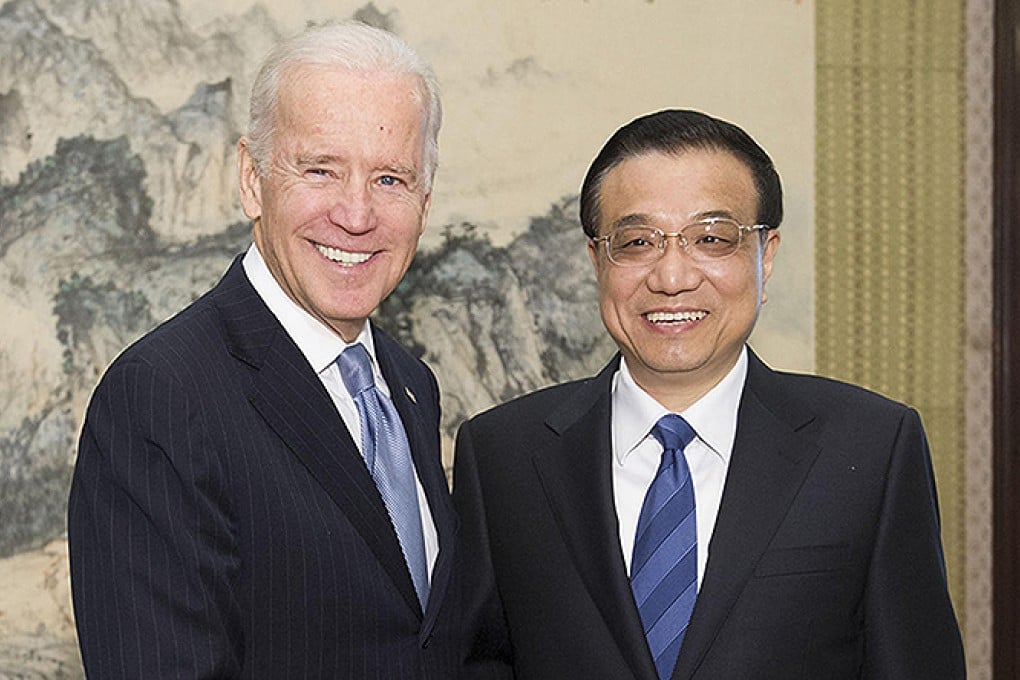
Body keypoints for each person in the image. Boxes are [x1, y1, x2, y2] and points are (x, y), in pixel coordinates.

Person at [454, 109, 965, 679]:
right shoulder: (501, 455)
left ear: (765, 255)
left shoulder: (871, 447)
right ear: (597, 261)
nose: (672, 278)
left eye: (712, 239)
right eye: (637, 242)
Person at [68, 21, 460, 678]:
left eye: (390, 179)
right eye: (320, 170)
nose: (356, 214)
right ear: (252, 178)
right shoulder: (159, 397)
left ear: (425, 197)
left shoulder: (409, 384)